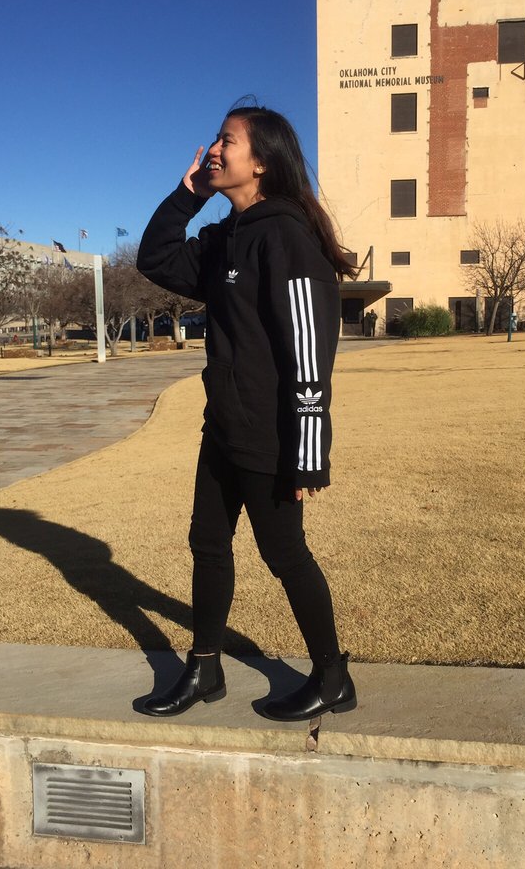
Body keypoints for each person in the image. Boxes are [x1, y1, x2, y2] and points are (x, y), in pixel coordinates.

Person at [136, 104, 357, 722]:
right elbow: (155, 260)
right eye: (215, 138)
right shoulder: (223, 238)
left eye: (227, 140)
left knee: (285, 555)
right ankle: (204, 668)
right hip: (224, 429)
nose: (215, 148)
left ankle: (333, 677)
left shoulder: (286, 236)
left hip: (272, 435)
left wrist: (308, 452)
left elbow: (310, 350)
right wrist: (188, 196)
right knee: (207, 544)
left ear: (260, 161)